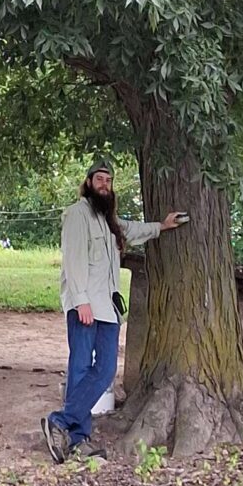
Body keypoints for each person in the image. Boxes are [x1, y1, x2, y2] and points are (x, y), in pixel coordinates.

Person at [41, 158, 181, 463]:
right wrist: (81, 301)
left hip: (108, 308)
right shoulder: (77, 215)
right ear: (89, 183)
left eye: (109, 180)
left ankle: (62, 422)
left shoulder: (110, 221)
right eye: (100, 179)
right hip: (86, 306)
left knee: (104, 371)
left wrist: (162, 226)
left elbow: (131, 230)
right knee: (79, 368)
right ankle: (79, 439)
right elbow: (73, 260)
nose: (105, 185)